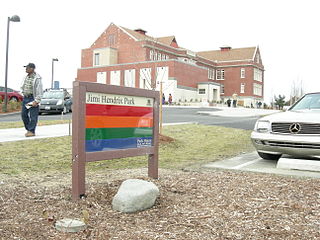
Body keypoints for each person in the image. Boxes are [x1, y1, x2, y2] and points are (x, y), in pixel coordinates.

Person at [21, 63, 43, 137]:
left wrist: (36, 101)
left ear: (32, 69)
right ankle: (29, 129)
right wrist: (22, 93)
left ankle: (31, 131)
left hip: (32, 98)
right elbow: (22, 86)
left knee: (33, 116)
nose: (26, 69)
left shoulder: (37, 78)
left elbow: (39, 90)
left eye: (27, 68)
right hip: (26, 98)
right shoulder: (25, 77)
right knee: (23, 115)